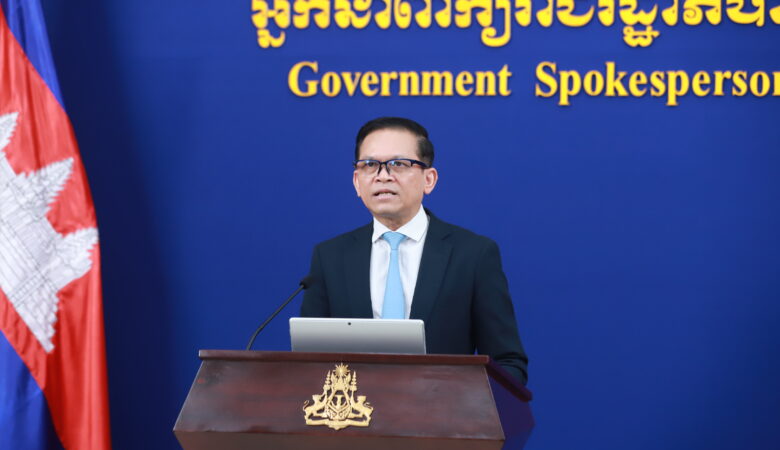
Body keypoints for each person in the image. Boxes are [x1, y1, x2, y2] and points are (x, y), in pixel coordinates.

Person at [300, 117, 528, 384]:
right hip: (354, 410)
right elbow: (307, 362)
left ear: (429, 179)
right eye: (370, 165)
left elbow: (508, 364)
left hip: (443, 408)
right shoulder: (330, 257)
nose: (383, 175)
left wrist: (460, 400)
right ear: (357, 182)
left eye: (398, 164)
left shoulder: (473, 255)